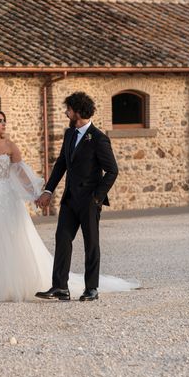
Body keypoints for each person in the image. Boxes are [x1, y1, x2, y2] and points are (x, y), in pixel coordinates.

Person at [0, 107, 138, 303]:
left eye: (4, 120)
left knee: (6, 242)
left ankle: (5, 287)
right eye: (0, 121)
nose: (3, 124)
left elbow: (22, 175)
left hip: (5, 200)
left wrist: (38, 195)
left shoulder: (10, 146)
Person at [35, 91, 138, 302]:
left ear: (78, 112)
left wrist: (97, 198)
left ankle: (92, 288)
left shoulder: (99, 139)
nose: (66, 113)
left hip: (89, 201)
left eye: (69, 110)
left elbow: (112, 171)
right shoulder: (69, 134)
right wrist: (48, 190)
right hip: (70, 198)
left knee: (91, 243)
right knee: (62, 239)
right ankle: (60, 287)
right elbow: (62, 164)